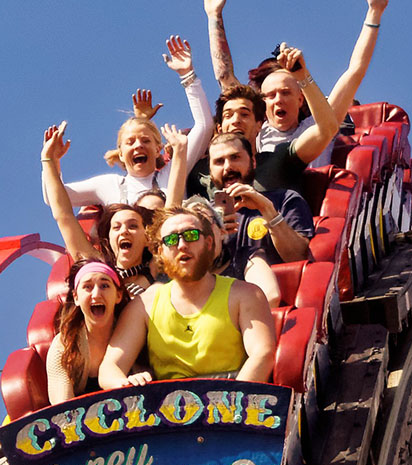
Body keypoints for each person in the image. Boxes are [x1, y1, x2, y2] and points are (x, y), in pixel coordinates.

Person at [98, 206, 275, 386]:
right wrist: (125, 383)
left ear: (208, 242)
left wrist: (232, 403)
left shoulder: (245, 294)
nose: (182, 245)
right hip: (166, 406)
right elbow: (110, 369)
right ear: (160, 252)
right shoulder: (144, 305)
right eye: (172, 239)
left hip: (234, 400)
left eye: (191, 235)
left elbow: (263, 354)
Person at [204, 0, 390, 164]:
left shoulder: (318, 124)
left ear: (300, 99)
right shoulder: (257, 130)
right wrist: (214, 15)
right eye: (271, 95)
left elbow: (355, 72)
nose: (278, 100)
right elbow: (225, 77)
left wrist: (374, 12)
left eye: (285, 93)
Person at [44, 36, 213, 207]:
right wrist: (51, 160)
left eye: (146, 140)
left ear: (157, 150)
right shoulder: (109, 185)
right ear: (121, 153)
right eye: (130, 142)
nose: (138, 145)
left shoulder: (173, 172)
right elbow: (54, 198)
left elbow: (204, 126)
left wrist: (187, 75)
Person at [41, 122, 189, 296]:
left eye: (133, 226)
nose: (124, 231)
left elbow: (171, 209)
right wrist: (49, 160)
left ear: (148, 236)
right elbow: (64, 215)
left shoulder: (160, 261)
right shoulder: (97, 265)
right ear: (108, 236)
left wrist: (180, 151)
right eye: (116, 227)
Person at [186, 48, 338, 198]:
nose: (236, 120)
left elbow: (327, 128)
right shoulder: (200, 175)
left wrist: (302, 77)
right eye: (228, 115)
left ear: (260, 124)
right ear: (219, 128)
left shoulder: (279, 160)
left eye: (244, 114)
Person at [207, 133, 315, 306]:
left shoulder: (284, 199)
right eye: (219, 161)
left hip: (280, 309)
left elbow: (298, 257)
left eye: (235, 157)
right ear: (210, 172)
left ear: (253, 162)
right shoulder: (201, 217)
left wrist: (267, 210)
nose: (228, 167)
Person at [45, 259, 126, 404]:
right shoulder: (64, 344)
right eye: (88, 287)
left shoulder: (132, 332)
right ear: (76, 297)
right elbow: (63, 409)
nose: (96, 294)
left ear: (118, 295)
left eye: (105, 285)